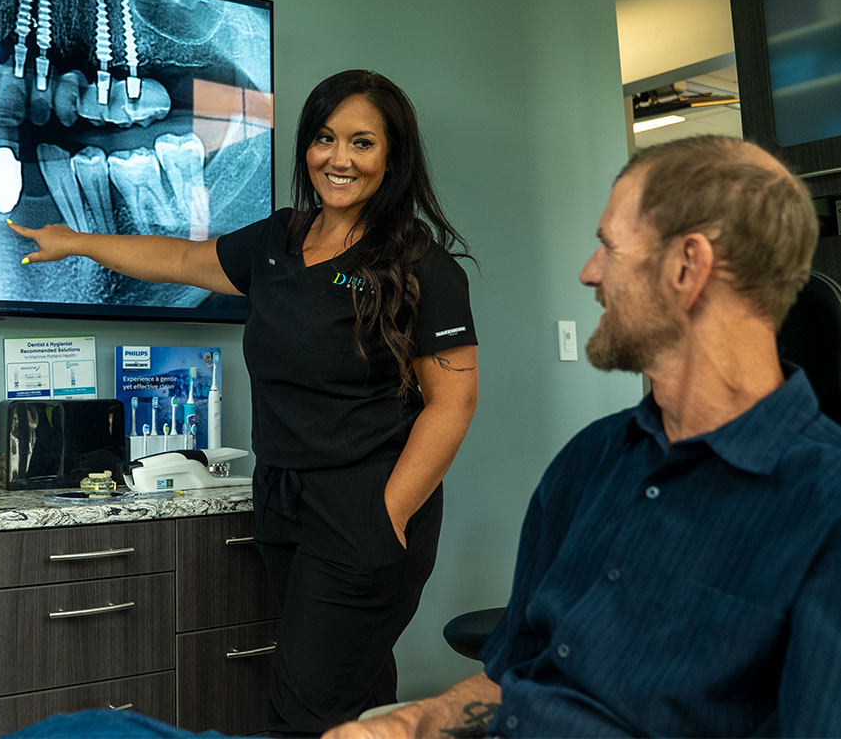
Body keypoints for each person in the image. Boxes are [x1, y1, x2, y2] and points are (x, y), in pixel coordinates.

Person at [8, 69, 479, 737]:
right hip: (283, 499)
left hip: (364, 504)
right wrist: (76, 240)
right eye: (323, 137)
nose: (338, 158)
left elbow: (451, 405)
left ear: (392, 156)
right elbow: (177, 259)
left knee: (303, 706)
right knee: (357, 685)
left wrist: (387, 515)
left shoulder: (423, 267)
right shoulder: (279, 241)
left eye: (362, 142)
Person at [324, 134, 841, 739]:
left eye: (609, 248)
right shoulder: (592, 459)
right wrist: (413, 723)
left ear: (687, 266)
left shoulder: (822, 507)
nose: (588, 273)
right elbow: (512, 675)